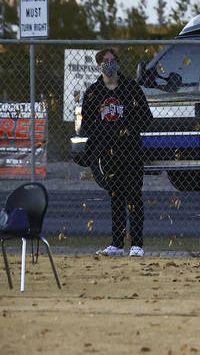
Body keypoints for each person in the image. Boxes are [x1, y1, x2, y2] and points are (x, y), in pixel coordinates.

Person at [80, 47, 153, 257]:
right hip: (107, 152)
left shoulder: (131, 88)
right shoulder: (94, 92)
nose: (109, 63)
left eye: (112, 59)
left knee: (134, 196)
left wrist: (128, 128)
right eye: (105, 60)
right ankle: (117, 244)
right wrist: (105, 133)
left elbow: (146, 118)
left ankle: (137, 244)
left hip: (130, 150)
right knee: (116, 196)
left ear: (118, 63)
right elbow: (86, 124)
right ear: (99, 65)